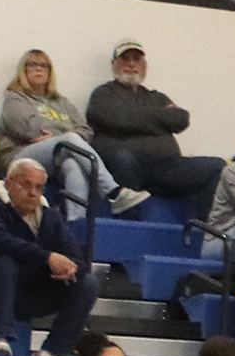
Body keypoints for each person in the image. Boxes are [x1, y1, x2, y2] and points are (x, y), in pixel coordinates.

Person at [0, 157, 99, 356]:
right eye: (26, 184)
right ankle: (0, 340)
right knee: (3, 261)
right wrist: (46, 257)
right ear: (8, 183)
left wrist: (67, 268)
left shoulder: (49, 217)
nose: (32, 193)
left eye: (38, 187)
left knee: (87, 283)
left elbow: (75, 255)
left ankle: (53, 351)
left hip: (27, 292)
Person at [85, 39, 224, 221]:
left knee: (216, 166)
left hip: (167, 166)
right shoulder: (103, 94)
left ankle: (204, 229)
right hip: (129, 166)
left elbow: (181, 118)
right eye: (125, 59)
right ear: (114, 64)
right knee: (121, 157)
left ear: (145, 65)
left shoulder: (156, 96)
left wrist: (133, 119)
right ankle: (130, 227)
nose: (131, 64)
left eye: (137, 59)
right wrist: (158, 119)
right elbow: (116, 119)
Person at [0, 48, 137, 218]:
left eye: (44, 65)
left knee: (73, 164)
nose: (39, 69)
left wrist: (55, 135)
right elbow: (29, 128)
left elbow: (86, 131)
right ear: (23, 70)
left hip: (54, 156)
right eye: (32, 65)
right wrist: (63, 134)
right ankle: (113, 191)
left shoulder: (62, 102)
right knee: (69, 139)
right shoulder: (15, 98)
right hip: (19, 155)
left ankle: (74, 223)